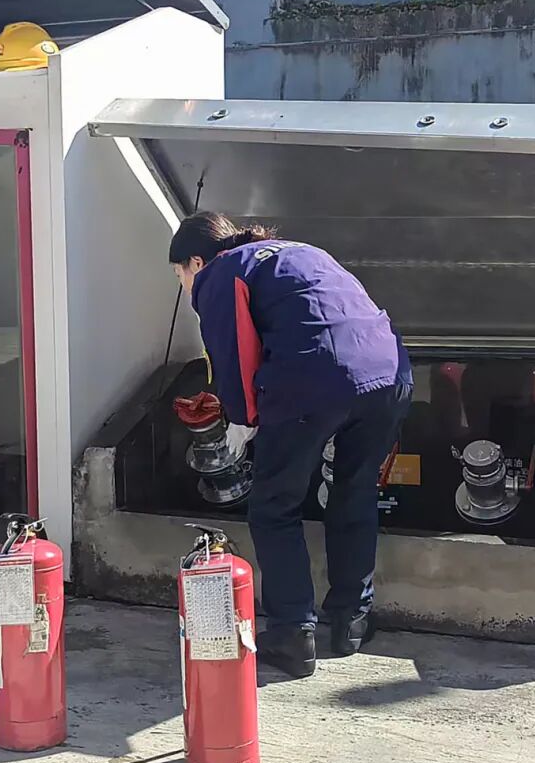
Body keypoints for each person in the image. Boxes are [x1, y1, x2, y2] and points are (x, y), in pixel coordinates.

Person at [169, 211, 412, 678]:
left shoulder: (221, 272)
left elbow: (233, 356)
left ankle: (293, 634)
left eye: (179, 274)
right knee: (355, 491)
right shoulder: (301, 252)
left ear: (195, 262)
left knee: (274, 506)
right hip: (388, 375)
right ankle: (352, 620)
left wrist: (241, 422)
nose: (183, 284)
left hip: (312, 380)